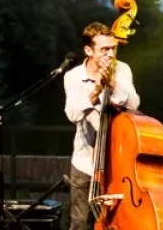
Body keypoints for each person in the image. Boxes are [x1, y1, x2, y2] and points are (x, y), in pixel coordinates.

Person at [63, 21, 142, 230]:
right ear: (88, 50)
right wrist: (96, 92)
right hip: (85, 162)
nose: (110, 54)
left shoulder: (122, 69)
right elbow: (72, 114)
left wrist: (112, 83)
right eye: (104, 49)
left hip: (120, 163)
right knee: (81, 223)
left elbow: (133, 104)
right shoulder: (73, 77)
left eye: (113, 48)